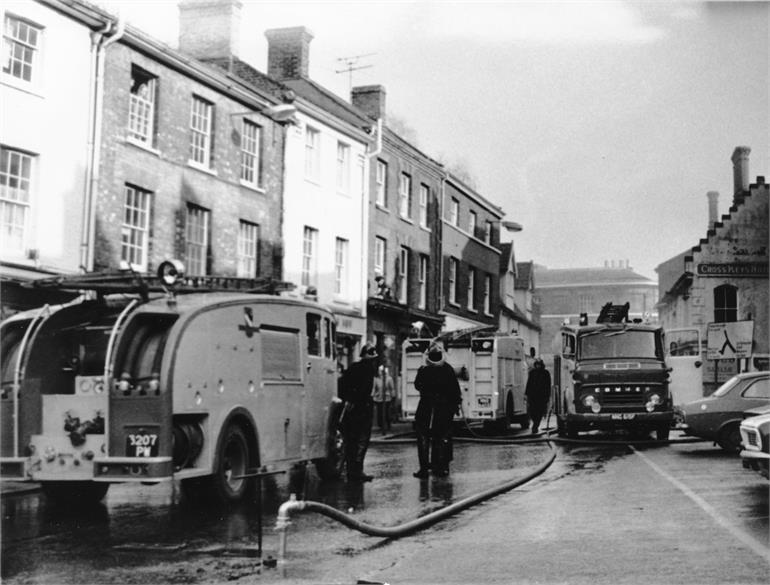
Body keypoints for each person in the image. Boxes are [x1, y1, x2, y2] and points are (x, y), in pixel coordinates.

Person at [412, 342, 462, 478]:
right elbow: (455, 390)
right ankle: (441, 466)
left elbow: (417, 385)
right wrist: (456, 405)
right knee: (442, 438)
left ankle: (424, 469)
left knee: (423, 438)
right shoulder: (448, 369)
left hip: (425, 409)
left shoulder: (424, 370)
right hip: (444, 410)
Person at [338, 343, 378, 482]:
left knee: (351, 441)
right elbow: (365, 390)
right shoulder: (369, 370)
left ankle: (350, 471)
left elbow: (342, 384)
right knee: (362, 441)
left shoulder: (353, 367)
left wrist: (348, 399)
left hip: (351, 410)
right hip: (363, 409)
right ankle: (357, 471)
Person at [525, 357, 551, 434]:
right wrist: (527, 394)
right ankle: (535, 424)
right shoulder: (532, 373)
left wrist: (547, 396)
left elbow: (548, 385)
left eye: (539, 365)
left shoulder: (546, 373)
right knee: (532, 411)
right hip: (532, 396)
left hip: (541, 397)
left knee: (539, 412)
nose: (538, 366)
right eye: (537, 365)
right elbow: (529, 383)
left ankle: (535, 426)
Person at [372, 364, 395, 433]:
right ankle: (381, 426)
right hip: (379, 398)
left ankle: (388, 425)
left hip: (387, 398)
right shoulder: (376, 379)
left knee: (387, 412)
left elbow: (392, 388)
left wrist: (393, 396)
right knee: (380, 413)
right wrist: (372, 396)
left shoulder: (389, 379)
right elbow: (374, 388)